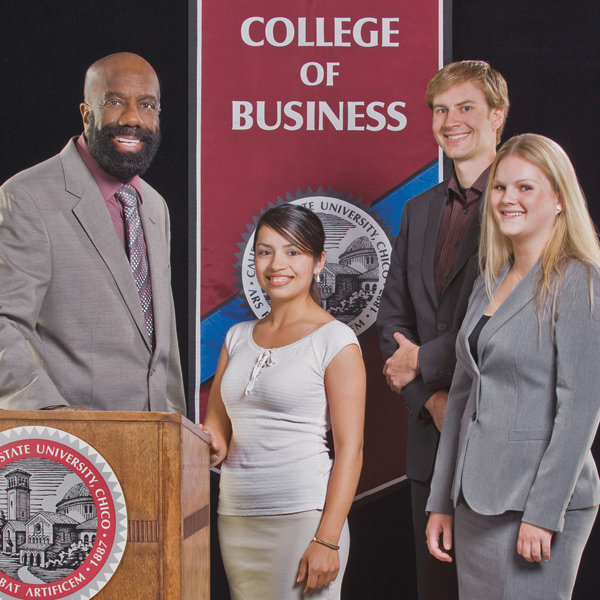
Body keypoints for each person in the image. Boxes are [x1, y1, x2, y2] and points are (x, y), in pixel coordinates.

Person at [426, 133, 600, 599]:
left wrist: (543, 513)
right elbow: (463, 399)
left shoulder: (578, 280)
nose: (508, 199)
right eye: (501, 187)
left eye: (526, 188)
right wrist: (441, 500)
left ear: (559, 199)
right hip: (473, 501)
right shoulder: (490, 280)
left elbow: (580, 409)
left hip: (535, 505)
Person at [376, 60, 509, 599]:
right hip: (430, 442)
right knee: (436, 590)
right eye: (440, 110)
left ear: (497, 115)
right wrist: (428, 399)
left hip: (503, 437)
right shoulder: (418, 210)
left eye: (465, 107)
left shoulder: (523, 199)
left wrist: (425, 362)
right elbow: (392, 322)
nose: (450, 120)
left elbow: (510, 318)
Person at [0, 52, 185, 413]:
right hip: (71, 453)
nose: (133, 118)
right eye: (115, 102)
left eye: (147, 105)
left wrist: (178, 433)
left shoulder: (154, 205)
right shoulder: (28, 197)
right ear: (87, 114)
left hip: (152, 447)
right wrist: (53, 415)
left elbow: (162, 345)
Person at [201, 204, 365, 599]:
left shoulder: (335, 340)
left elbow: (351, 450)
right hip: (236, 519)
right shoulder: (236, 337)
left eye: (293, 251)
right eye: (265, 251)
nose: (277, 263)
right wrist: (207, 444)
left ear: (319, 261)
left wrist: (327, 539)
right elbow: (217, 429)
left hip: (304, 519)